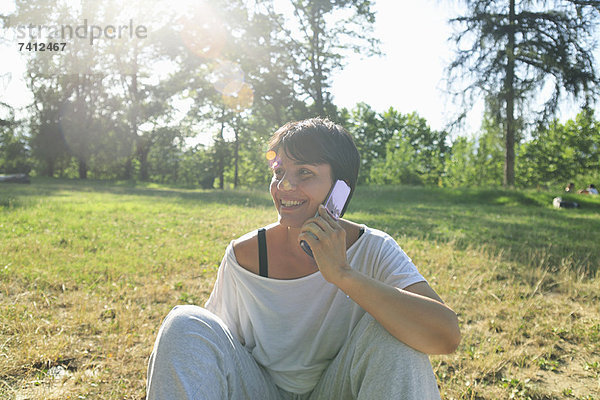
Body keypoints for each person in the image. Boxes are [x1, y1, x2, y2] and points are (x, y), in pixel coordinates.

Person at [146, 118, 461, 400]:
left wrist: (343, 273)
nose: (284, 186)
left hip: (339, 389)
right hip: (259, 391)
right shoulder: (245, 256)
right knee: (184, 322)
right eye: (279, 172)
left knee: (395, 331)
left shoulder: (374, 248)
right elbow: (214, 353)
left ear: (341, 190)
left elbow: (445, 336)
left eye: (305, 173)